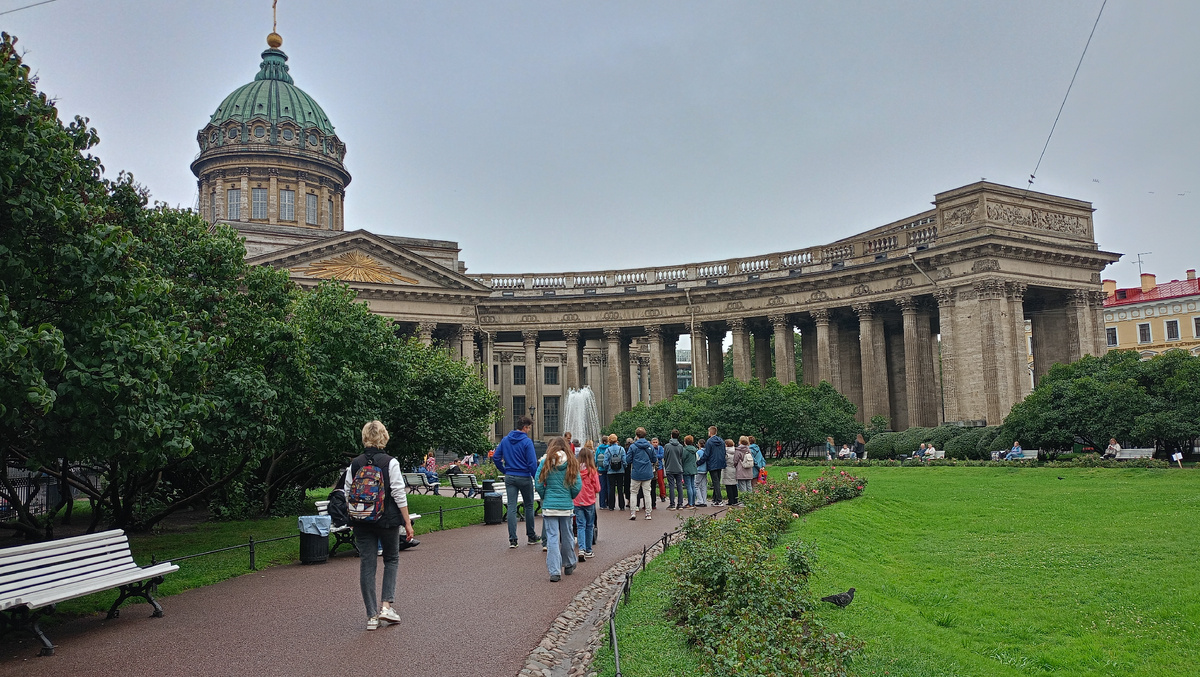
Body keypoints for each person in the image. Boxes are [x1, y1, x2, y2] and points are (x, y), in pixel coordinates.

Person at [345, 420, 415, 631]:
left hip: (361, 521)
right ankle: (386, 606)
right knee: (391, 559)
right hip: (387, 519)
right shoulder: (390, 462)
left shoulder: (355, 464)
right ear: (383, 437)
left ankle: (371, 616)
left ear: (365, 437)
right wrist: (407, 522)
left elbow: (348, 491)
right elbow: (398, 493)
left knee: (367, 563)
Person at [535, 437, 582, 582]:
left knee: (552, 538)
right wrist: (570, 496)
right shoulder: (571, 462)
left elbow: (538, 483)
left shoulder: (546, 461)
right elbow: (577, 486)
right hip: (566, 505)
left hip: (550, 505)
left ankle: (554, 571)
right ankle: (568, 563)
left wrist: (545, 496)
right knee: (567, 535)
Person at [493, 415, 540, 548]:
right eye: (529, 428)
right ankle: (531, 536)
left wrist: (504, 470)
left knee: (512, 507)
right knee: (529, 506)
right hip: (524, 476)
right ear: (525, 427)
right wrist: (535, 477)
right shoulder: (526, 442)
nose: (529, 430)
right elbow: (531, 463)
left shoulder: (505, 440)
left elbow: (496, 458)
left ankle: (513, 539)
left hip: (510, 476)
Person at [573, 443, 600, 559]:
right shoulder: (592, 471)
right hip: (589, 501)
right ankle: (589, 550)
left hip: (577, 501)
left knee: (580, 525)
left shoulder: (574, 471)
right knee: (589, 525)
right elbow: (598, 488)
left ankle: (581, 549)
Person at [627, 428, 656, 520]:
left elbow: (628, 460)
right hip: (647, 472)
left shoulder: (633, 446)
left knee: (634, 493)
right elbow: (654, 459)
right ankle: (648, 514)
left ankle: (633, 513)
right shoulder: (650, 446)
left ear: (637, 436)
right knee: (647, 493)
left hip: (636, 472)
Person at [701, 426, 727, 505]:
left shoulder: (709, 442)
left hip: (712, 463)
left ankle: (719, 499)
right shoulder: (721, 441)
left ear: (710, 432)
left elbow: (706, 454)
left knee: (715, 482)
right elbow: (724, 452)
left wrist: (699, 462)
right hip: (720, 463)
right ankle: (715, 499)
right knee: (717, 481)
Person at [663, 430, 686, 510]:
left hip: (670, 467)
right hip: (679, 467)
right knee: (679, 486)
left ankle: (672, 504)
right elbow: (681, 457)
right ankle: (680, 504)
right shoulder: (680, 446)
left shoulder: (667, 446)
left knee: (671, 486)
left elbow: (665, 457)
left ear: (671, 435)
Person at [605, 434, 626, 511]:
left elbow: (605, 462)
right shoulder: (621, 449)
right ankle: (622, 506)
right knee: (620, 488)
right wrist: (624, 467)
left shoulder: (608, 450)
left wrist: (607, 468)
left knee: (611, 488)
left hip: (611, 471)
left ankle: (611, 506)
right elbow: (624, 460)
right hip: (620, 471)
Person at [682, 434, 698, 508]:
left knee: (688, 487)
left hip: (686, 469)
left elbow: (682, 459)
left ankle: (690, 503)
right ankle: (693, 502)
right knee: (693, 486)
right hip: (693, 468)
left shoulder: (685, 450)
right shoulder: (694, 450)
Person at [722, 439, 740, 506]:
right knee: (734, 485)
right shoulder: (736, 451)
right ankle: (735, 499)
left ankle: (730, 500)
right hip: (735, 468)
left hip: (727, 469)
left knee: (728, 485)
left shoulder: (726, 452)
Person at [693, 434, 709, 507]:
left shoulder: (698, 452)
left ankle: (700, 500)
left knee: (696, 485)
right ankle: (704, 500)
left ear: (699, 444)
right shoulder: (706, 451)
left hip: (699, 470)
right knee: (703, 485)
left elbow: (696, 460)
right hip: (705, 470)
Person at [595, 437, 610, 509]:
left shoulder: (599, 448)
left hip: (601, 469)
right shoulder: (609, 448)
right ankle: (609, 503)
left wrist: (597, 466)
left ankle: (602, 504)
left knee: (602, 487)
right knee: (609, 486)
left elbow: (595, 459)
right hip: (608, 469)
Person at [651, 437, 667, 502]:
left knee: (661, 482)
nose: (655, 444)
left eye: (656, 442)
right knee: (652, 482)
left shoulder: (660, 448)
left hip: (659, 467)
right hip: (652, 467)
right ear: (651, 443)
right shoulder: (650, 448)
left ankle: (663, 495)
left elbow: (662, 455)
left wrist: (655, 456)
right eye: (654, 442)